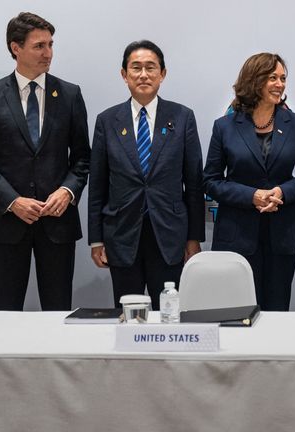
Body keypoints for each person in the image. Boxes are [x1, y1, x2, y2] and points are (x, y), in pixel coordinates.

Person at [0, 12, 90, 311]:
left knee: (59, 309)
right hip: (9, 223)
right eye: (39, 46)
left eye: (50, 45)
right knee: (6, 311)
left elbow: (83, 157)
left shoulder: (70, 94)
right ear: (15, 48)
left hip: (57, 222)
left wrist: (68, 191)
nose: (47, 53)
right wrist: (12, 201)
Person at [88, 40, 204, 310]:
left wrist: (194, 237)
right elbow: (98, 185)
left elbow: (194, 183)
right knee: (127, 315)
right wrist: (97, 239)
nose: (143, 74)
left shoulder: (183, 117)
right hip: (121, 234)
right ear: (124, 74)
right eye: (136, 68)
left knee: (169, 315)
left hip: (170, 235)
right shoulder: (107, 121)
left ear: (162, 74)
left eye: (151, 68)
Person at [203, 53, 295, 311]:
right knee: (239, 311)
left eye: (283, 78)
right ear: (254, 81)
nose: (280, 84)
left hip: (283, 234)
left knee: (277, 310)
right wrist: (251, 195)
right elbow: (211, 181)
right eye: (272, 78)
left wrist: (282, 191)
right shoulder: (225, 126)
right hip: (237, 235)